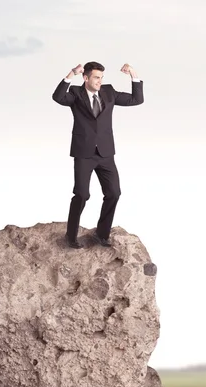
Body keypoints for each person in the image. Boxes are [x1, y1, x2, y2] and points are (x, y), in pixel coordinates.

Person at [52, 61, 144, 249]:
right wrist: (71, 74)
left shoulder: (109, 92)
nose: (99, 81)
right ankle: (71, 235)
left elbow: (137, 100)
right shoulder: (76, 95)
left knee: (113, 193)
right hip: (84, 153)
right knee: (82, 195)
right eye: (96, 77)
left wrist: (133, 73)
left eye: (101, 77)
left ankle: (102, 234)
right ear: (85, 77)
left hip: (105, 153)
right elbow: (58, 97)